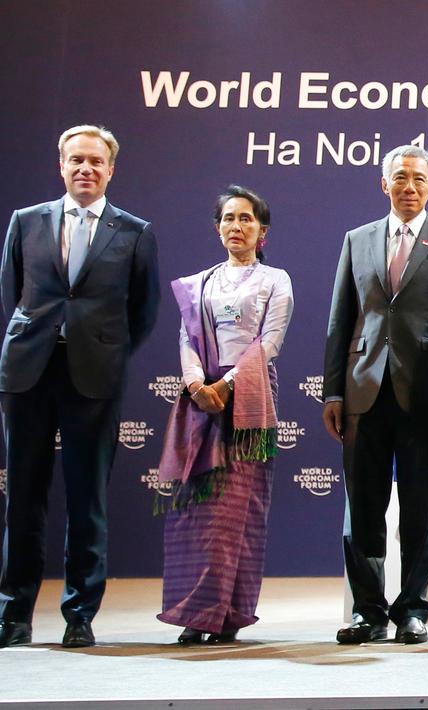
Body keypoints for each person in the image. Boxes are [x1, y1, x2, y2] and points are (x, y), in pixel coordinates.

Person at [0, 125, 160, 649]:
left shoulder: (134, 232)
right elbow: (12, 292)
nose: (85, 168)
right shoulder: (26, 222)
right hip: (28, 372)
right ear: (61, 165)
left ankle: (79, 614)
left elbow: (143, 311)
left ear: (111, 169)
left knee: (87, 499)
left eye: (95, 161)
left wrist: (103, 351)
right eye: (76, 160)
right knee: (23, 497)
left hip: (94, 377)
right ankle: (13, 614)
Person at [323, 145, 428, 645]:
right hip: (362, 390)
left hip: (424, 394)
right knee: (363, 507)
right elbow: (341, 319)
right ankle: (367, 611)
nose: (409, 186)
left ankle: (412, 609)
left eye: (418, 179)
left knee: (419, 508)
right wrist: (332, 391)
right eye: (400, 177)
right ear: (383, 183)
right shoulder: (357, 239)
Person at [156, 186, 293, 645]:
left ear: (262, 230)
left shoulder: (275, 280)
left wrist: (227, 385)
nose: (237, 226)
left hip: (250, 400)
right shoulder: (201, 283)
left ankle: (228, 614)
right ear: (217, 228)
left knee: (237, 513)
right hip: (201, 403)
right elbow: (187, 339)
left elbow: (270, 342)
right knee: (199, 513)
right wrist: (197, 385)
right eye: (229, 218)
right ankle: (196, 613)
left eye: (246, 218)